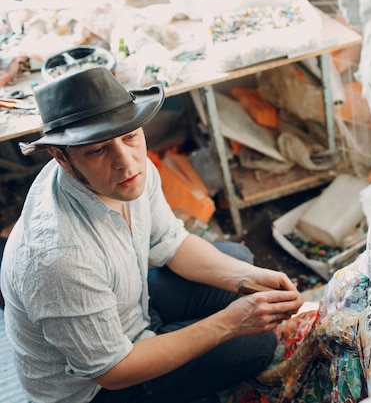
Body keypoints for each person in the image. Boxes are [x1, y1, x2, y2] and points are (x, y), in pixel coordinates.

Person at [0, 66, 305, 403]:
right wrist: (229, 323)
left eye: (130, 136)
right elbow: (113, 370)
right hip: (94, 390)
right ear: (61, 157)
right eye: (98, 151)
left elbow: (170, 242)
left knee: (239, 262)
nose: (127, 163)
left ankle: (175, 331)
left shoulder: (129, 173)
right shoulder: (58, 258)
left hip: (131, 309)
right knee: (257, 343)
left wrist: (251, 276)